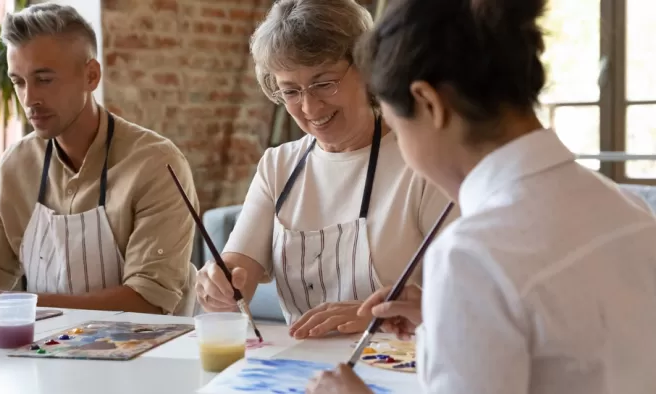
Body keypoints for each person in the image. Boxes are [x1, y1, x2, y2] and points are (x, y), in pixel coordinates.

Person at [306, 0, 656, 393]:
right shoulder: (630, 209)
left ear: (429, 104)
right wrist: (452, 320)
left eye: (397, 128)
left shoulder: (471, 255)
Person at [195, 0, 456, 340]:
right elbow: (237, 266)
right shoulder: (279, 165)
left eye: (324, 83)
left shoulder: (420, 163)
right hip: (297, 367)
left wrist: (376, 317)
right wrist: (220, 283)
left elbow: (469, 299)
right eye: (290, 91)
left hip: (396, 367)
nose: (309, 107)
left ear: (365, 69)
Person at [0, 4, 198, 315]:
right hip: (43, 355)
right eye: (18, 82)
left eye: (44, 79)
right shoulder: (15, 167)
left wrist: (13, 304)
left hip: (147, 356)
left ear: (91, 76)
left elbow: (147, 302)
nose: (30, 99)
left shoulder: (156, 164)